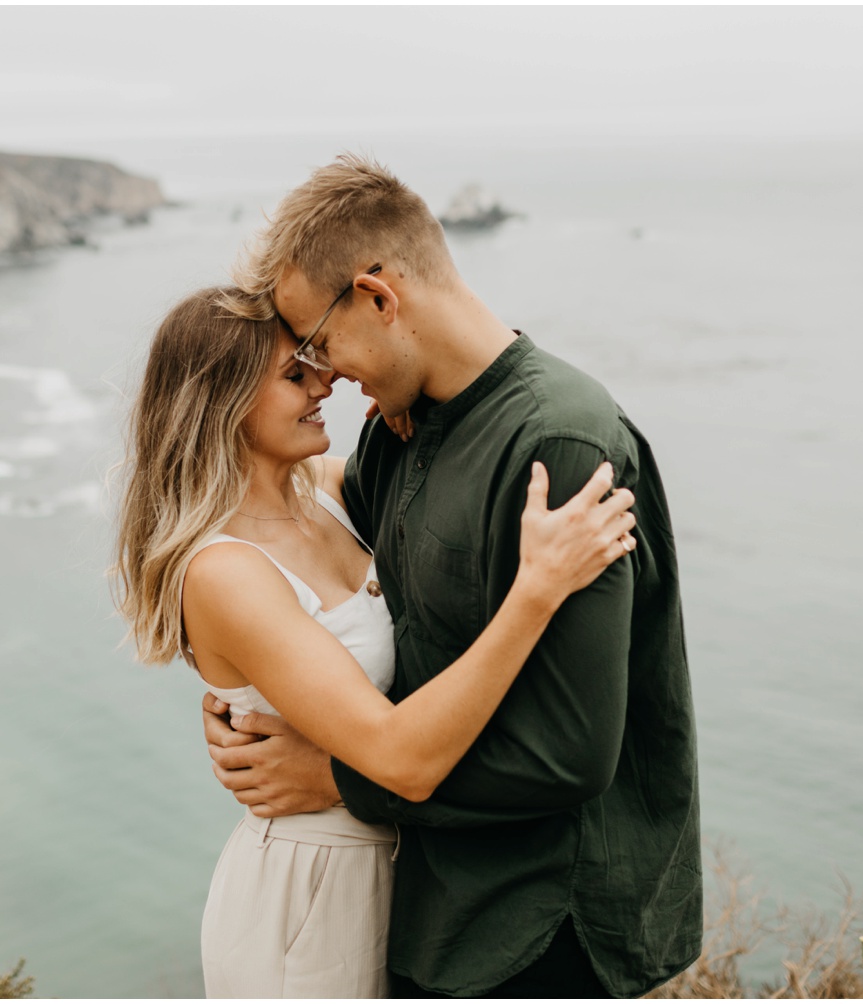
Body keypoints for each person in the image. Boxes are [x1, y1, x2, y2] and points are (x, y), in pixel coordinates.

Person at [201, 154, 701, 998]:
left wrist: (332, 777)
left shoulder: (563, 445)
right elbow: (310, 554)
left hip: (543, 932)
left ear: (379, 297)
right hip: (434, 909)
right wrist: (247, 694)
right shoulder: (398, 435)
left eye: (319, 341)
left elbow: (570, 757)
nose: (325, 372)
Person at [113, 288, 639, 998]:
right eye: (295, 375)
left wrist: (412, 399)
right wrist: (537, 589)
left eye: (317, 365)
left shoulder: (329, 491)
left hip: (402, 881)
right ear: (226, 401)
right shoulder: (223, 572)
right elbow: (404, 760)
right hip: (305, 902)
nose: (325, 382)